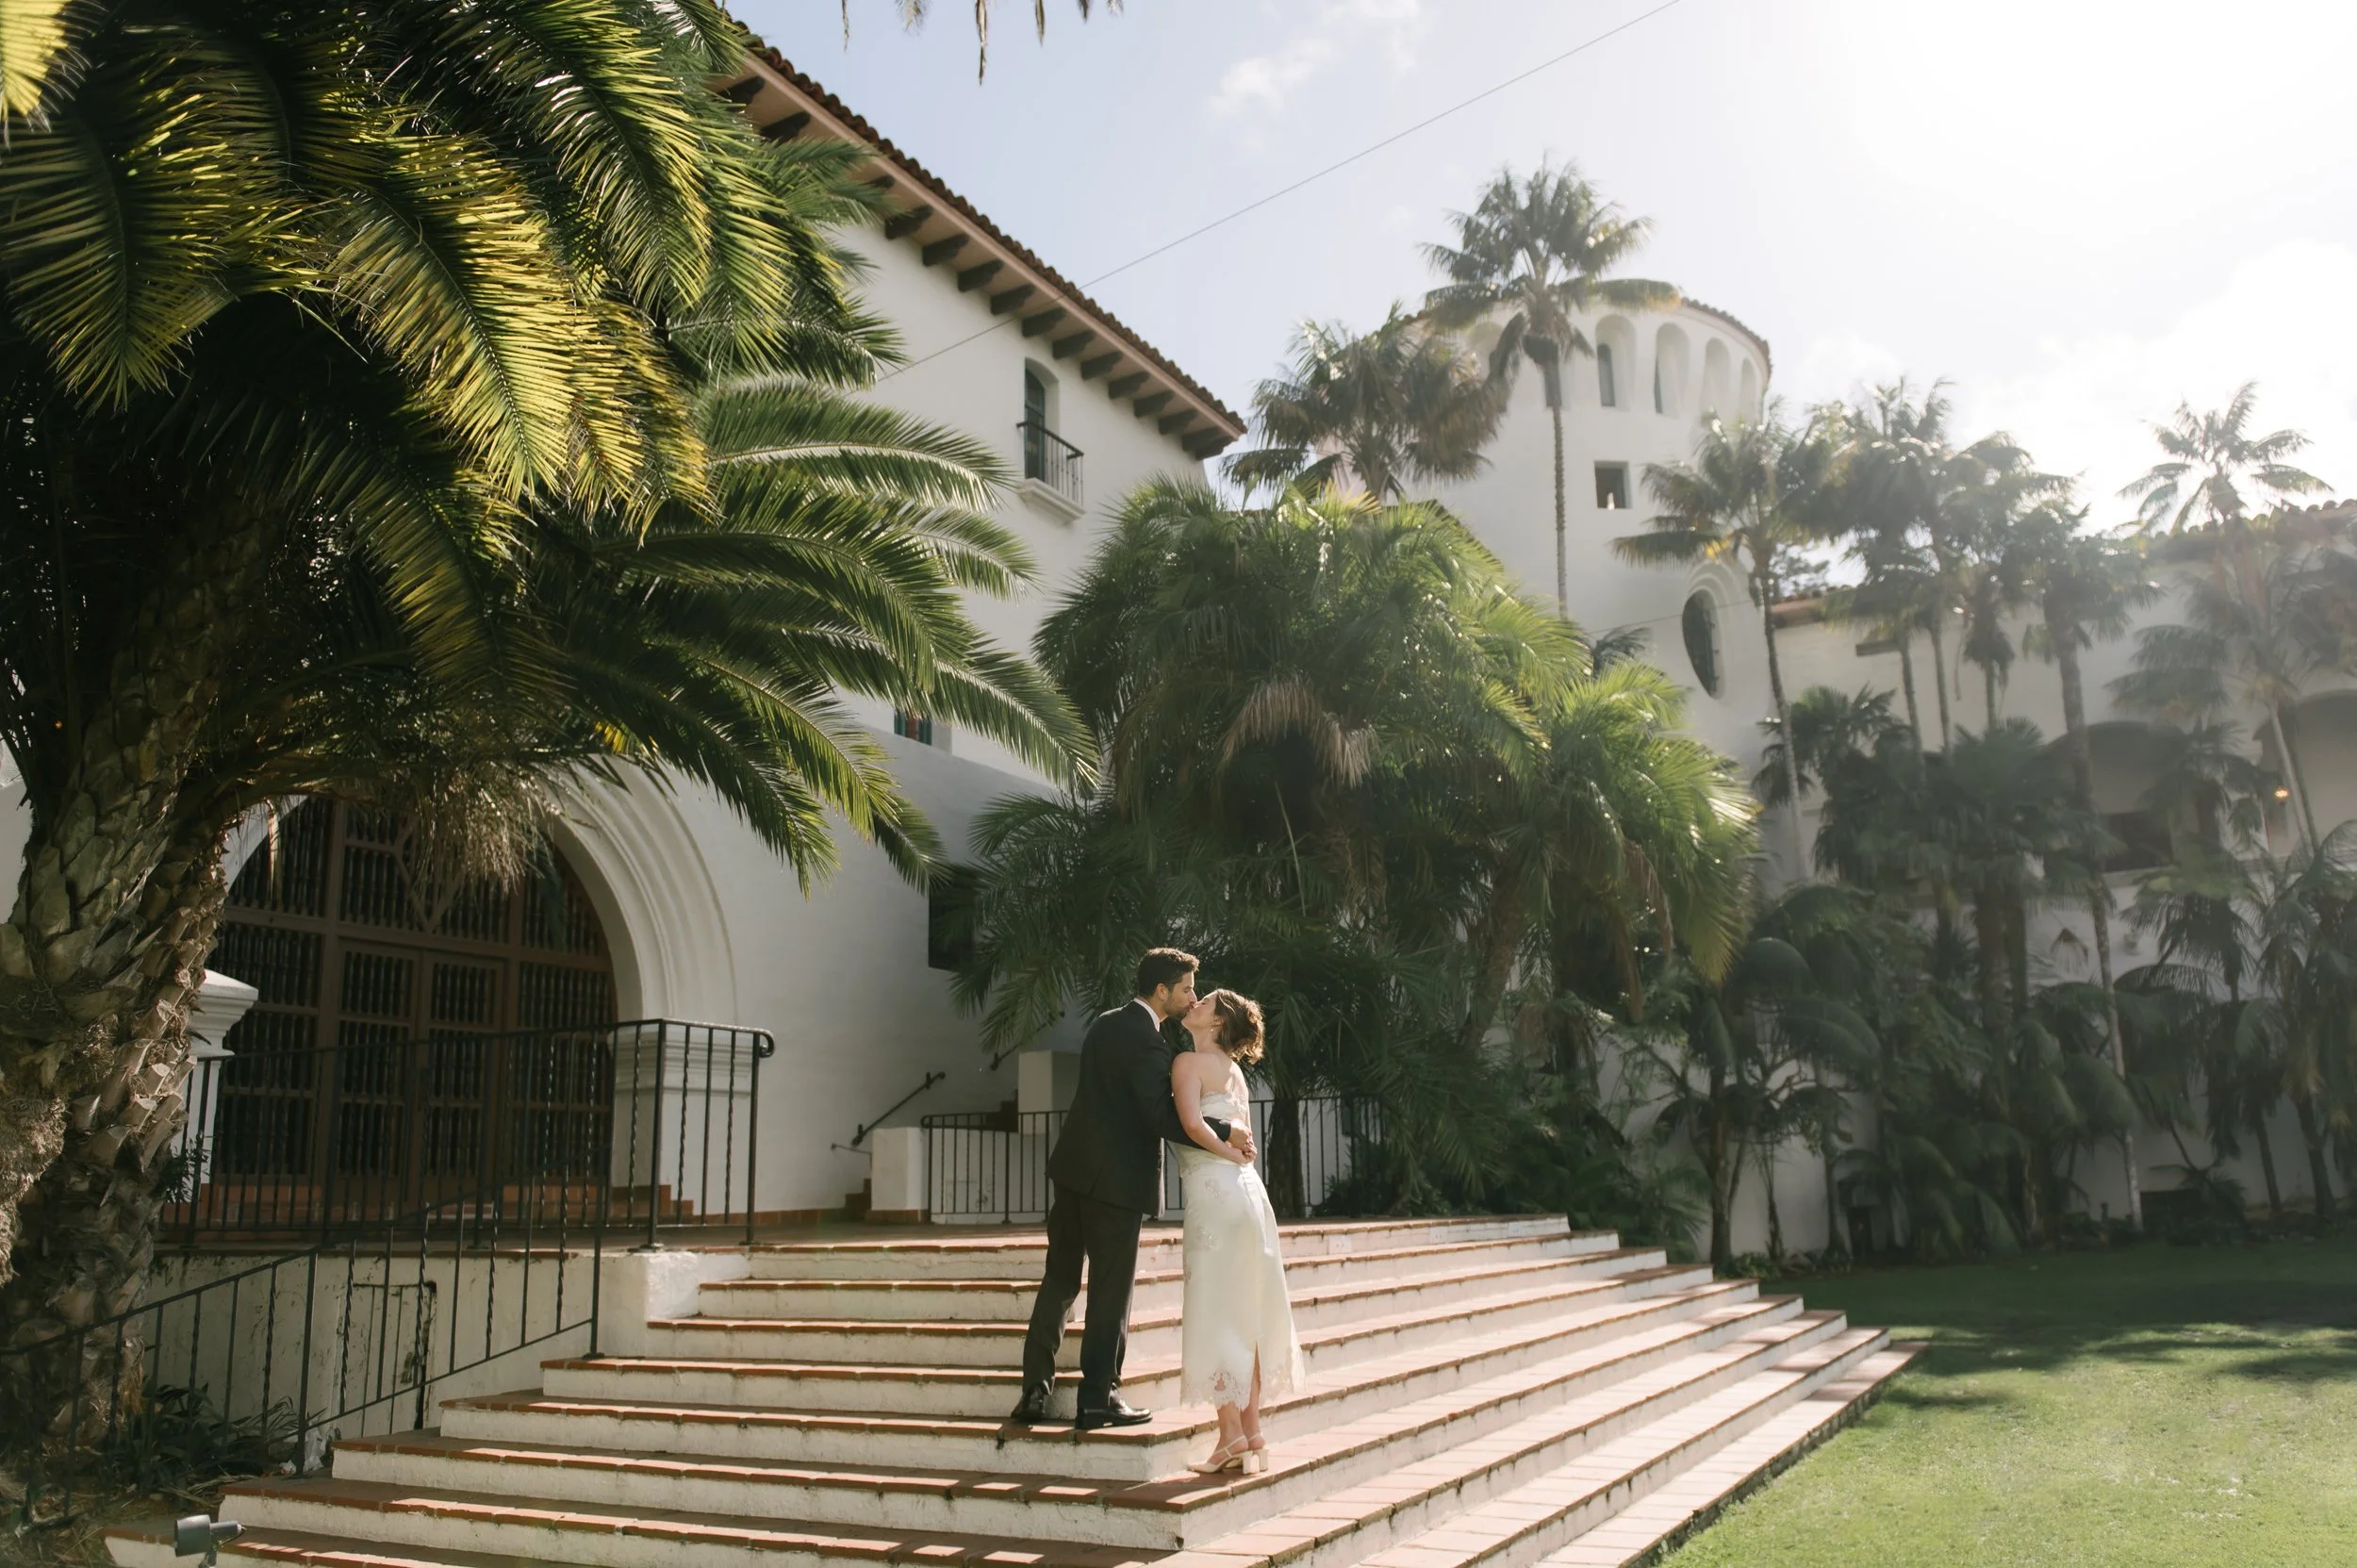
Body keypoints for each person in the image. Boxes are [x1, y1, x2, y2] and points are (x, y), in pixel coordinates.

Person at [1010, 948, 1256, 1429]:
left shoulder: (1105, 1023)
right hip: (1116, 1183)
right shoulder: (1148, 1040)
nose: (1192, 997)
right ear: (1162, 990)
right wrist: (1224, 1133)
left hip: (1074, 1171)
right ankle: (1099, 1397)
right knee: (1109, 1290)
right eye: (1186, 988)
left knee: (1059, 1279)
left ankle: (1034, 1394)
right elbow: (1159, 1116)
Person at [1171, 988, 1302, 1475]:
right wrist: (1238, 1157)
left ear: (1218, 1024)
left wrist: (1227, 1155)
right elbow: (1242, 1141)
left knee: (1216, 1309)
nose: (1194, 1004)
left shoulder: (1188, 1063)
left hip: (1216, 1194)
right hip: (1251, 1196)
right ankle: (1253, 1432)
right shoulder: (1236, 1074)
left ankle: (1230, 1437)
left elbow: (1190, 1125)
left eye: (1204, 1003)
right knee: (1246, 1309)